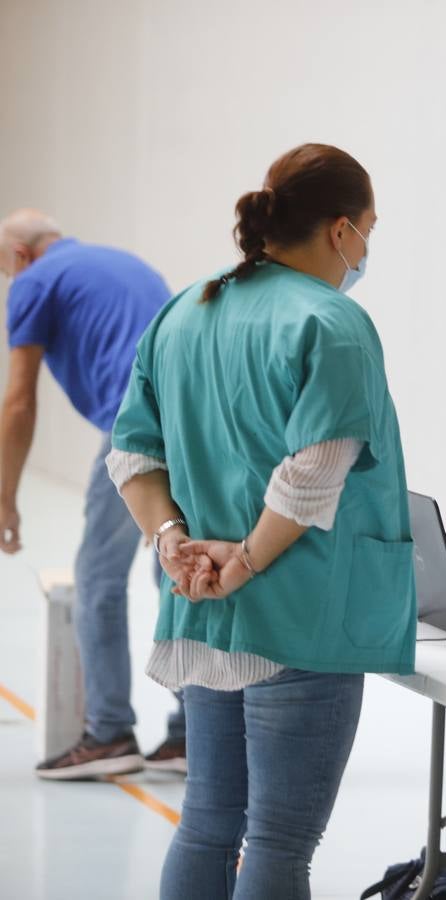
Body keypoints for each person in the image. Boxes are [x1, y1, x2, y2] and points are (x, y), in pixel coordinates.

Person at [107, 143, 416, 899]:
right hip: (297, 614)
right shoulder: (333, 322)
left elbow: (131, 455)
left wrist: (175, 545)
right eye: (369, 228)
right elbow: (313, 473)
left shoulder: (187, 308)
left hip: (203, 611)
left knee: (208, 822)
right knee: (279, 841)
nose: (366, 248)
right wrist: (242, 561)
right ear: (341, 228)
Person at [0, 208, 186, 778]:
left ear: (18, 255)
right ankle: (192, 735)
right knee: (175, 569)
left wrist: (6, 500)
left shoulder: (33, 281)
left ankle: (108, 733)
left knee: (99, 579)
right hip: (189, 421)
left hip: (135, 425)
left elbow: (18, 402)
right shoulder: (117, 261)